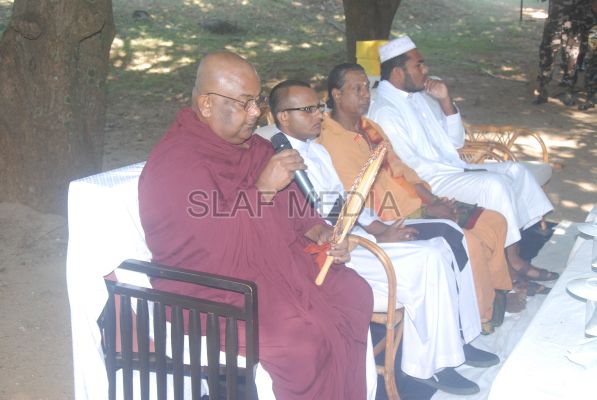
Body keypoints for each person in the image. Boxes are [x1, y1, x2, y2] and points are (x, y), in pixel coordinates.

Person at [138, 51, 374, 400]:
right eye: (245, 103)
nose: (255, 113)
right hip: (214, 292)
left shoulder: (255, 149)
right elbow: (212, 250)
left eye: (257, 101)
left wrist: (322, 232)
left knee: (354, 293)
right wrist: (263, 189)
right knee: (303, 342)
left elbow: (297, 210)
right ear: (206, 104)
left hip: (274, 267)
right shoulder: (177, 164)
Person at [268, 79, 500, 396]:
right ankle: (430, 366)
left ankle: (458, 341)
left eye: (318, 108)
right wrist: (371, 234)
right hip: (330, 251)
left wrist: (380, 229)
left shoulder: (317, 150)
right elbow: (314, 217)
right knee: (429, 258)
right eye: (308, 110)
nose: (319, 114)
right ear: (283, 117)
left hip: (353, 234)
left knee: (442, 245)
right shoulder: (278, 160)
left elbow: (348, 201)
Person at [367, 36, 558, 288]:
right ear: (397, 71)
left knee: (516, 170)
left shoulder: (418, 97)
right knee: (494, 184)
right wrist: (464, 173)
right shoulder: (385, 110)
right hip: (428, 183)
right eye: (418, 65)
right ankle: (512, 265)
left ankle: (513, 253)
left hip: (450, 169)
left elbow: (455, 142)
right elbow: (410, 169)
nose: (425, 70)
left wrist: (445, 101)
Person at [533, 0, 591, 105]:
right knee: (547, 57)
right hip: (554, 24)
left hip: (574, 26)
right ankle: (543, 90)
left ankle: (568, 93)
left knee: (571, 60)